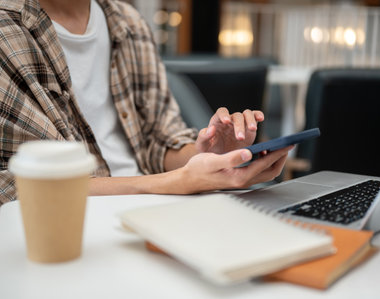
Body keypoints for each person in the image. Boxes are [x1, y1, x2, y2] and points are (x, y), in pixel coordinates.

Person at [0, 0, 291, 206]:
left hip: (158, 205)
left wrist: (211, 155)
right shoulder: (7, 29)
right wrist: (174, 182)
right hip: (72, 225)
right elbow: (29, 186)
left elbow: (159, 139)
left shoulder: (129, 23)